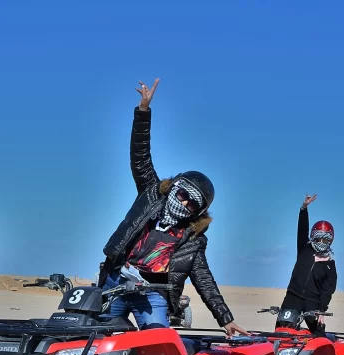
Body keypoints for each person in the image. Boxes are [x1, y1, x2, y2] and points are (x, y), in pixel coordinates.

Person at [97, 78, 246, 335]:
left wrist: (225, 318)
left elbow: (204, 279)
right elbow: (140, 155)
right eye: (184, 194)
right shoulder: (152, 195)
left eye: (193, 203)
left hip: (153, 292)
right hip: (116, 281)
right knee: (95, 340)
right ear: (175, 186)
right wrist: (143, 111)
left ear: (198, 212)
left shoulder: (193, 239)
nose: (185, 202)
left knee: (157, 344)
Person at [278, 194, 338, 337]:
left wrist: (322, 310)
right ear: (312, 236)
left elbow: (327, 291)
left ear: (330, 241)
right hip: (292, 298)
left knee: (319, 336)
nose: (321, 242)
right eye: (318, 238)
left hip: (313, 303)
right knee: (280, 332)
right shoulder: (304, 250)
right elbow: (302, 230)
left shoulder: (330, 265)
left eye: (325, 239)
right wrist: (304, 209)